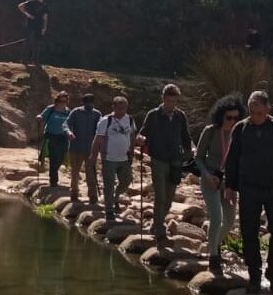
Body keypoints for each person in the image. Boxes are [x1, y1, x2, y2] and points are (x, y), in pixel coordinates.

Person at [224, 90, 273, 295]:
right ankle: (254, 274)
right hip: (249, 188)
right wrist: (229, 186)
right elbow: (232, 159)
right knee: (249, 232)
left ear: (268, 109)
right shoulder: (241, 129)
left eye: (259, 113)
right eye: (252, 112)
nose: (255, 116)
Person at [195, 93, 246, 273]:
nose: (232, 121)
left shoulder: (239, 133)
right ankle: (213, 257)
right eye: (228, 117)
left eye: (236, 118)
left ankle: (214, 244)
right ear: (220, 115)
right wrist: (206, 175)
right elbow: (198, 158)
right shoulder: (210, 131)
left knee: (230, 221)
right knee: (216, 217)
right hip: (210, 179)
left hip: (228, 181)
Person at [138, 83, 192, 244]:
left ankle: (156, 223)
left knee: (169, 198)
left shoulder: (180, 116)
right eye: (168, 101)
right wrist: (140, 138)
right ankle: (160, 230)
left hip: (175, 161)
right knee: (160, 196)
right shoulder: (153, 115)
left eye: (174, 102)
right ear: (163, 98)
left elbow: (185, 136)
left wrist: (191, 151)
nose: (171, 105)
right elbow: (143, 132)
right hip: (158, 159)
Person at [90, 96, 136, 225]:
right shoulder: (106, 120)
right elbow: (98, 139)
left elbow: (132, 136)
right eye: (119, 108)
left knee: (126, 181)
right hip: (109, 158)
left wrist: (132, 152)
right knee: (108, 185)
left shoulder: (129, 119)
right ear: (113, 107)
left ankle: (116, 196)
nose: (122, 111)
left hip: (124, 158)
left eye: (124, 108)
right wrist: (93, 156)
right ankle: (109, 210)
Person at [66, 93, 102, 203]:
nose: (89, 105)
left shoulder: (97, 114)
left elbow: (101, 128)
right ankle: (74, 193)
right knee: (75, 171)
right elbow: (66, 124)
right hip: (76, 147)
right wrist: (69, 132)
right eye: (87, 103)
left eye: (91, 103)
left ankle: (93, 195)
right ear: (83, 102)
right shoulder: (76, 112)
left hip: (91, 149)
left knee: (91, 172)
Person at [36, 91, 71, 187]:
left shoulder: (68, 111)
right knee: (53, 158)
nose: (63, 103)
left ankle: (54, 174)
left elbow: (71, 122)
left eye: (65, 101)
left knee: (61, 157)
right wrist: (39, 117)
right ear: (57, 100)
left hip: (63, 137)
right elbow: (42, 116)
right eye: (61, 101)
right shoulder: (51, 109)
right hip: (51, 136)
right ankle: (53, 181)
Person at [18, 0, 48, 65]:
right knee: (27, 42)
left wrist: (44, 28)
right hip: (30, 25)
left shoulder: (44, 5)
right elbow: (20, 6)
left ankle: (35, 61)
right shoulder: (31, 2)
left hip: (39, 26)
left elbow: (45, 17)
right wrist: (27, 14)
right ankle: (24, 60)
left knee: (37, 44)